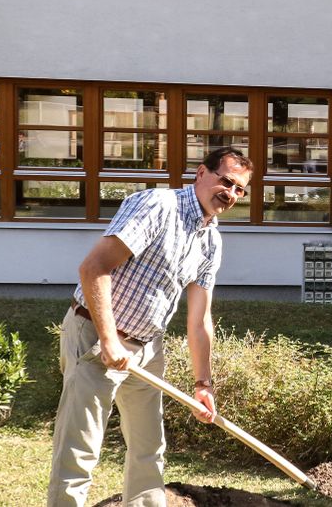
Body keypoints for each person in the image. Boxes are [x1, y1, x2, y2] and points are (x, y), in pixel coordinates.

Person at [47, 147, 254, 507]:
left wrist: (203, 384)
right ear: (201, 173)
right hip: (96, 337)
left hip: (147, 347)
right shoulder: (159, 206)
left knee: (149, 448)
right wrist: (110, 341)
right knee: (80, 449)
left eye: (240, 190)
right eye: (227, 181)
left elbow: (200, 318)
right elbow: (94, 268)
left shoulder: (211, 239)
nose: (232, 194)